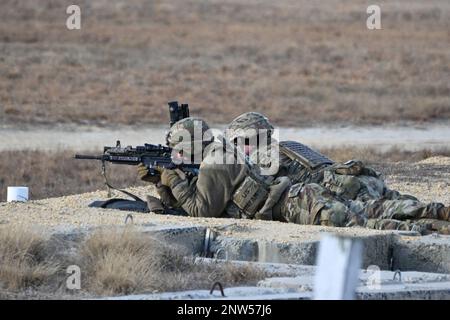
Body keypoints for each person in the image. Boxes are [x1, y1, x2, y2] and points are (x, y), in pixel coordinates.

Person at [137, 117, 450, 234]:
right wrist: (163, 183)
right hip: (318, 191)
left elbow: (202, 211)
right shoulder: (234, 154)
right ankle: (436, 216)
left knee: (369, 224)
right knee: (379, 210)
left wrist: (173, 180)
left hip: (302, 202)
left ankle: (431, 229)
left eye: (179, 151)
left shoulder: (218, 161)